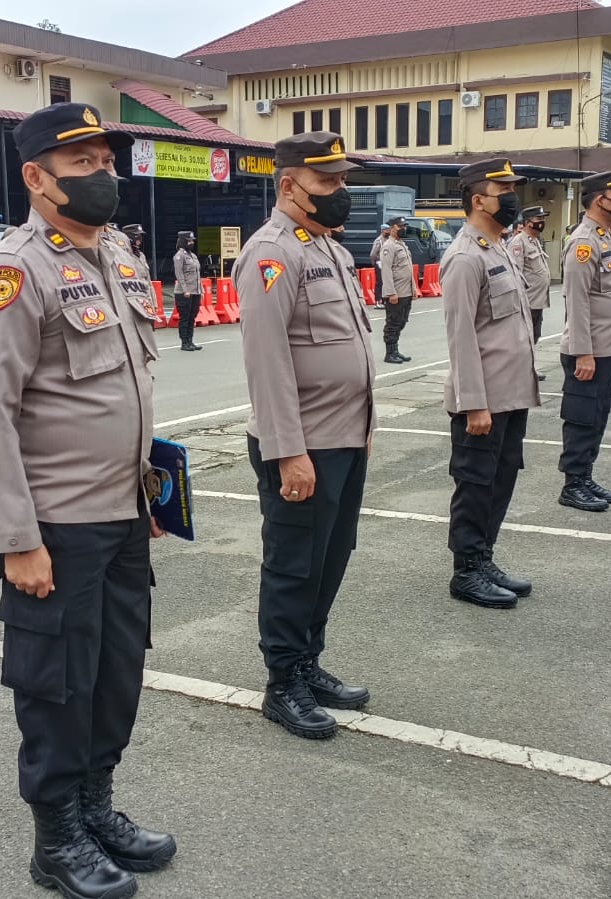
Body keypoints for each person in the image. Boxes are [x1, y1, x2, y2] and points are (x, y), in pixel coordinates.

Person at [0, 102, 176, 899]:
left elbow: (125, 389)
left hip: (121, 510)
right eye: (81, 163)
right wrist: (15, 537)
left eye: (105, 160)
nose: (101, 175)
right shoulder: (13, 272)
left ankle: (97, 806)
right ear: (36, 177)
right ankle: (55, 838)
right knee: (54, 684)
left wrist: (146, 491)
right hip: (55, 522)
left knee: (116, 671)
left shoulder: (116, 254)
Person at [234, 131, 375, 740]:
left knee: (329, 560)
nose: (339, 191)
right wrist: (287, 451)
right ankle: (281, 681)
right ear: (289, 184)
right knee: (294, 566)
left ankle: (307, 661)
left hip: (343, 437)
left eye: (342, 180)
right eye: (327, 181)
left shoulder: (333, 250)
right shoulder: (272, 253)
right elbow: (268, 363)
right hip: (302, 445)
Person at [440, 158, 539, 608]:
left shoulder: (498, 247)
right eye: (504, 190)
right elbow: (461, 339)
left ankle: (483, 557)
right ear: (478, 199)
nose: (513, 198)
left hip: (511, 393)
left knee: (500, 482)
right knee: (476, 484)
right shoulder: (465, 256)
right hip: (483, 401)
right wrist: (473, 404)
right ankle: (466, 570)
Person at [557, 171, 611, 511]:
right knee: (582, 418)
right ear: (600, 199)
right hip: (588, 350)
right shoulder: (584, 241)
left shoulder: (605, 236)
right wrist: (583, 353)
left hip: (606, 346)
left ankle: (585, 477)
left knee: (598, 416)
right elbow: (577, 300)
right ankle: (573, 484)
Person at [510, 205, 552, 382]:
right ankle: (521, 370)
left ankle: (529, 367)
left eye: (543, 219)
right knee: (524, 338)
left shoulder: (534, 241)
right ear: (528, 223)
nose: (542, 223)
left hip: (537, 300)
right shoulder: (519, 242)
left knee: (534, 335)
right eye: (538, 220)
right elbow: (516, 273)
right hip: (527, 301)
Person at [378, 216, 415, 364]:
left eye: (404, 226)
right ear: (392, 228)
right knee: (392, 323)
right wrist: (391, 292)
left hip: (406, 292)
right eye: (400, 226)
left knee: (401, 321)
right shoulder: (389, 246)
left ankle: (395, 350)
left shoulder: (402, 244)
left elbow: (409, 269)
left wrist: (414, 289)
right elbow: (386, 271)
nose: (403, 229)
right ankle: (389, 353)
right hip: (396, 293)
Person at [172, 231, 202, 351]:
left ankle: (190, 340)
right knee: (184, 317)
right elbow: (179, 274)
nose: (191, 243)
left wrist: (201, 290)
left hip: (195, 291)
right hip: (184, 292)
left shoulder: (193, 256)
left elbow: (197, 274)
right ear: (183, 242)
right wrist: (185, 290)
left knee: (192, 317)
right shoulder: (179, 256)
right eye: (189, 241)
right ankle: (184, 342)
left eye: (192, 241)